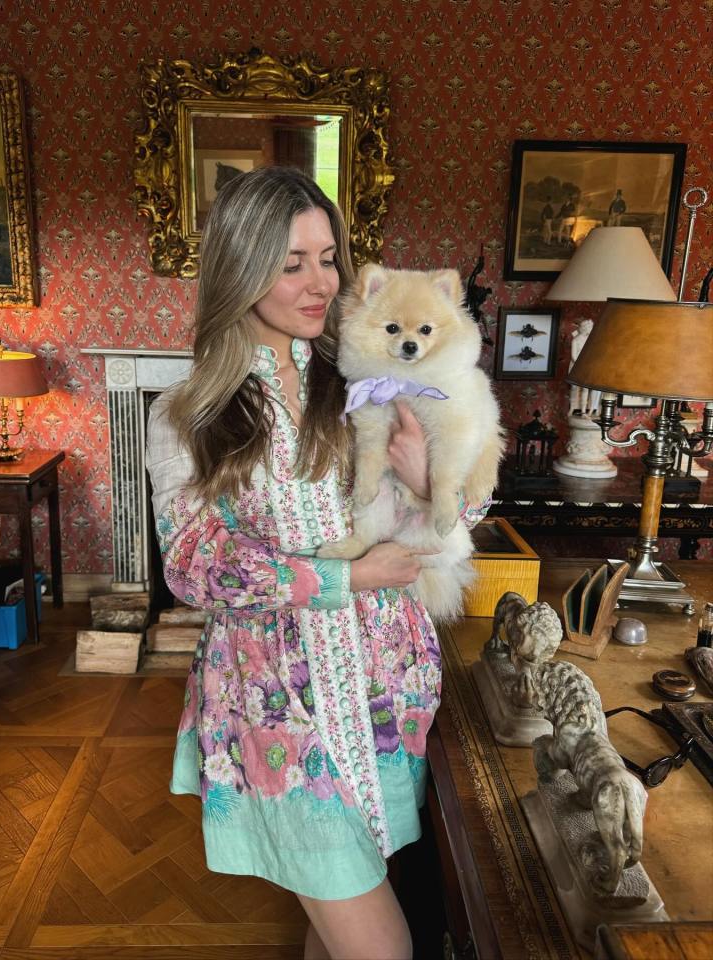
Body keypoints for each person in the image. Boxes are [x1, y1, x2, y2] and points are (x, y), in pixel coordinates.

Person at [145, 166, 491, 960]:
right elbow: (196, 567)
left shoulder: (374, 380)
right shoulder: (190, 410)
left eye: (327, 257)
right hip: (278, 711)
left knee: (333, 914)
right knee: (377, 941)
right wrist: (345, 577)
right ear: (239, 265)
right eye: (290, 261)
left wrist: (425, 477)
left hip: (385, 693)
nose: (318, 282)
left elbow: (461, 518)